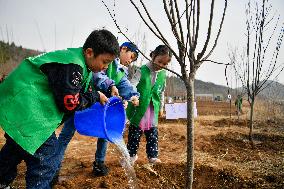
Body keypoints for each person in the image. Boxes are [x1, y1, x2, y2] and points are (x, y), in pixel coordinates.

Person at [0, 29, 119, 189]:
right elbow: (69, 103)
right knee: (47, 156)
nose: (105, 67)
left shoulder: (82, 65)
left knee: (17, 146)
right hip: (28, 108)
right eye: (104, 62)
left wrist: (96, 95)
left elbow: (81, 90)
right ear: (90, 52)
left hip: (22, 107)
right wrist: (95, 97)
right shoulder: (73, 66)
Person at [53, 42, 140, 181]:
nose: (131, 60)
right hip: (83, 99)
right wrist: (110, 85)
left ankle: (99, 163)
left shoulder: (121, 71)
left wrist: (133, 95)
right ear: (123, 49)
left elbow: (124, 85)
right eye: (132, 55)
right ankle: (54, 168)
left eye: (134, 59)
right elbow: (97, 75)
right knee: (67, 133)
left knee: (104, 135)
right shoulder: (106, 60)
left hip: (100, 105)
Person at [126, 45, 172, 165]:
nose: (161, 65)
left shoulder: (163, 74)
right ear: (152, 56)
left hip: (152, 108)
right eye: (159, 62)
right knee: (135, 132)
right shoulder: (142, 70)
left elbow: (161, 91)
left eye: (165, 64)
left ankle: (152, 156)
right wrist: (132, 95)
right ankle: (131, 155)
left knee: (152, 133)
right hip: (139, 107)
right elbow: (133, 84)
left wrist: (161, 107)